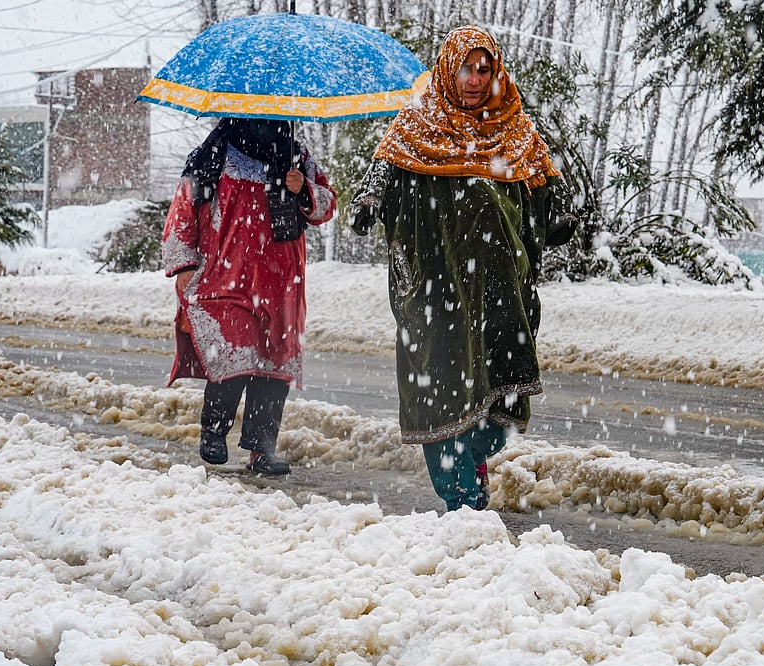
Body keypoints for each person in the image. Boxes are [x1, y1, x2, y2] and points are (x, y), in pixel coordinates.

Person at [349, 26, 576, 510]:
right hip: (436, 286)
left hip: (498, 287)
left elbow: (545, 188)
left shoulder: (513, 126)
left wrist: (556, 217)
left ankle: (475, 456)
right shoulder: (417, 123)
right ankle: (462, 502)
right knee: (444, 386)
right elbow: (379, 174)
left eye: (483, 68)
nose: (474, 79)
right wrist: (369, 200)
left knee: (502, 402)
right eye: (464, 68)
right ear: (447, 68)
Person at [162, 117, 336, 477]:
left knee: (274, 367)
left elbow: (327, 205)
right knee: (232, 355)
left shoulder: (297, 157)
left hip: (282, 281)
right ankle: (214, 430)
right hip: (225, 276)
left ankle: (261, 449)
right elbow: (183, 208)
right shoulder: (213, 155)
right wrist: (183, 265)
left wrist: (304, 187)